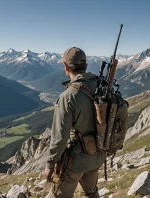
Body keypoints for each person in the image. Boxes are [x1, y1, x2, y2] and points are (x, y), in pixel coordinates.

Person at [45, 47, 110, 198]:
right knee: (91, 193)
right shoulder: (102, 86)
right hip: (98, 154)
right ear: (86, 66)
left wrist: (50, 164)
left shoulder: (68, 96)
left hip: (76, 160)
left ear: (66, 67)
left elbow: (59, 136)